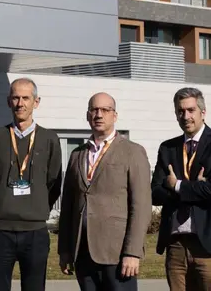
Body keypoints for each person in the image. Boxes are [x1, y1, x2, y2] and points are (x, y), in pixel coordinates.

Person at [151, 87, 211, 291]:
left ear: (202, 112)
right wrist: (194, 188)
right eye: (180, 111)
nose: (185, 116)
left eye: (191, 110)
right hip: (177, 244)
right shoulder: (167, 148)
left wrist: (176, 185)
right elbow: (154, 193)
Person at [58, 92, 152, 291]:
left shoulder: (132, 152)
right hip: (83, 252)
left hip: (117, 254)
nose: (99, 115)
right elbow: (68, 205)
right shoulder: (77, 154)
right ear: (87, 115)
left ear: (115, 116)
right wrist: (65, 250)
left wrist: (133, 252)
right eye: (94, 110)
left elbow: (141, 206)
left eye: (105, 110)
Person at [0, 77, 63, 291]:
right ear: (8, 101)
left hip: (35, 231)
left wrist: (36, 205)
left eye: (26, 98)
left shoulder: (49, 139)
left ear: (36, 102)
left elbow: (54, 183)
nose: (20, 103)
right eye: (15, 98)